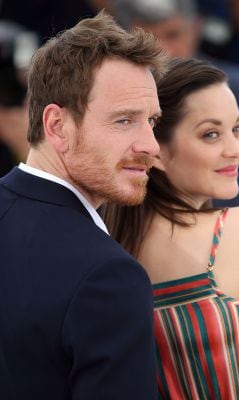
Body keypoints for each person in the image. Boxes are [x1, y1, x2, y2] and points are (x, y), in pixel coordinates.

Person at [101, 58, 239, 399]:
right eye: (211, 134)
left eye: (237, 129)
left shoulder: (109, 245)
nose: (235, 149)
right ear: (158, 153)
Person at [0, 10, 167, 399]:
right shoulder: (107, 276)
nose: (151, 146)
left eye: (152, 121)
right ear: (57, 125)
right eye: (125, 121)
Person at [113, 0, 239, 215]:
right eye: (149, 40)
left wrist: (198, 214)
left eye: (172, 35)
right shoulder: (113, 97)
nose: (163, 51)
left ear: (195, 29)